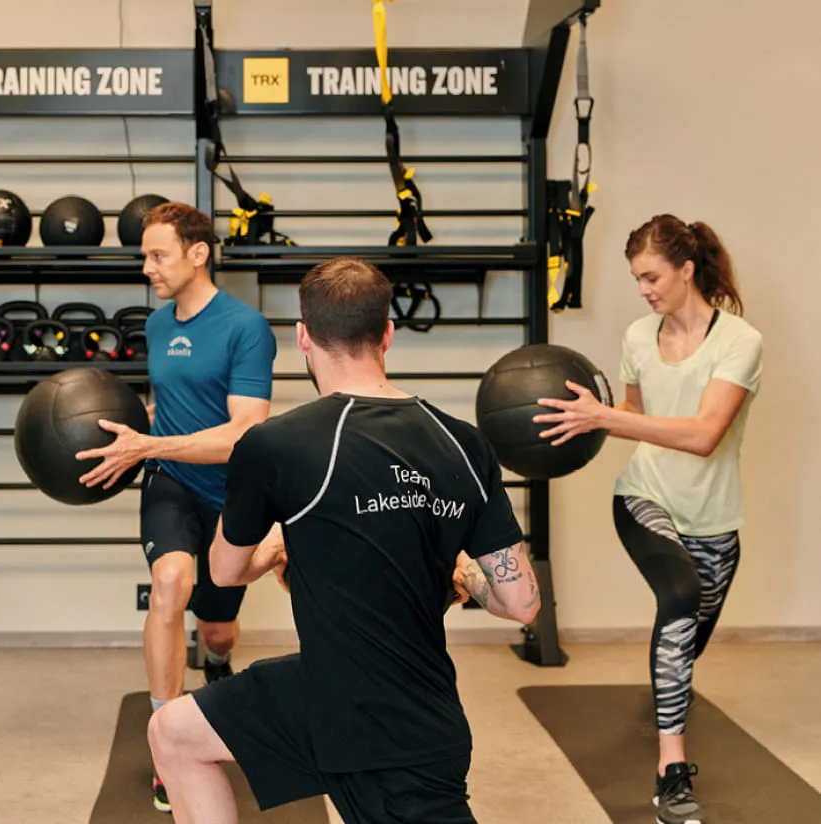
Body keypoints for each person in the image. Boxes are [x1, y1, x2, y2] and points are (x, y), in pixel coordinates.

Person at [145, 256, 540, 824]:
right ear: (387, 334)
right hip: (372, 707)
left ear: (303, 338)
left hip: (384, 737)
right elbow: (522, 602)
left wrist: (279, 545)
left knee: (172, 735)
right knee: (176, 731)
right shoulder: (463, 444)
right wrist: (459, 570)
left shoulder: (274, 445)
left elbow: (226, 571)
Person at [533, 214, 762, 824]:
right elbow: (635, 414)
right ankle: (671, 771)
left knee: (685, 645)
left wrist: (610, 419)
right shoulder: (639, 336)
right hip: (644, 497)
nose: (644, 290)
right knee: (680, 595)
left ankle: (666, 702)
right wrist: (577, 422)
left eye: (652, 276)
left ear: (688, 270)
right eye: (637, 279)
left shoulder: (740, 342)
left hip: (714, 520)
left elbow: (705, 434)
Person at [74, 201, 276, 812]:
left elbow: (245, 431)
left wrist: (151, 443)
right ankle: (167, 738)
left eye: (157, 255)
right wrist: (137, 447)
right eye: (144, 255)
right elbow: (168, 407)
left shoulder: (246, 328)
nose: (147, 267)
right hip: (170, 483)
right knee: (169, 584)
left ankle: (217, 666)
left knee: (216, 629)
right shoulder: (158, 325)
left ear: (198, 253)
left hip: (231, 492)